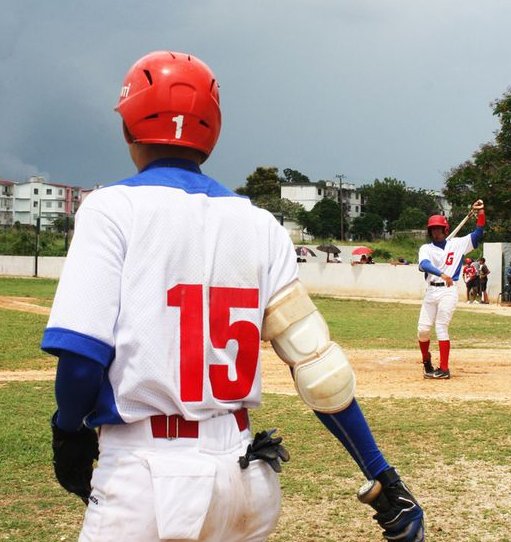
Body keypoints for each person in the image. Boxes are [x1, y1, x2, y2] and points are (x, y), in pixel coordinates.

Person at [41, 51, 424, 542]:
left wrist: (68, 430)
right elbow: (318, 368)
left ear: (129, 127)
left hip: (150, 474)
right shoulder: (260, 224)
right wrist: (383, 475)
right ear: (212, 132)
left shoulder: (111, 209)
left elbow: (79, 358)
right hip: (245, 476)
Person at [417, 201, 486, 379]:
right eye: (432, 229)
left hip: (448, 290)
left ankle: (444, 369)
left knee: (441, 327)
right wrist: (441, 274)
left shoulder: (457, 244)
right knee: (423, 330)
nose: (435, 232)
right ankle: (426, 360)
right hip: (431, 291)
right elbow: (424, 264)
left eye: (439, 228)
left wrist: (480, 213)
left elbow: (478, 234)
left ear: (445, 229)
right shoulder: (426, 248)